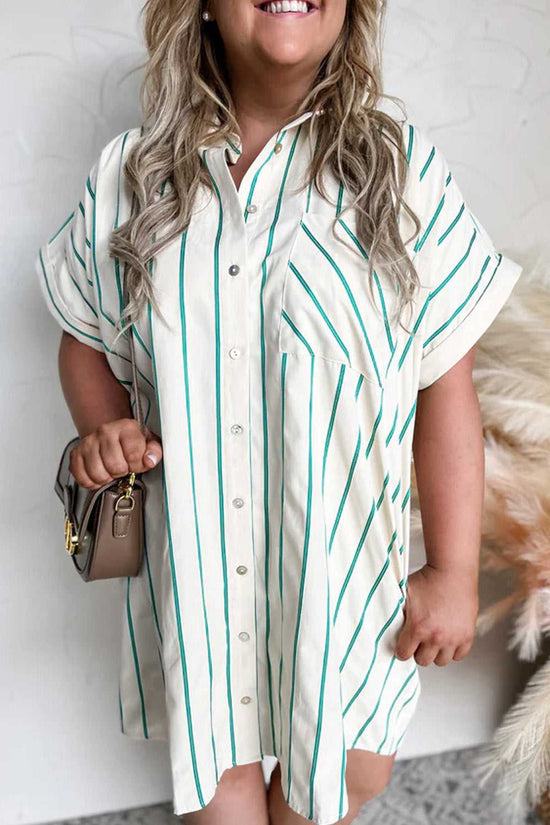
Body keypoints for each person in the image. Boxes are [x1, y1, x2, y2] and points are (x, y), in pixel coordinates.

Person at [34, 0, 523, 823]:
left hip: (346, 572)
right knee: (216, 782)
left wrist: (452, 571)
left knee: (352, 768)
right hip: (197, 569)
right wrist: (103, 426)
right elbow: (83, 335)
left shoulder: (400, 171)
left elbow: (447, 383)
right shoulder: (134, 175)